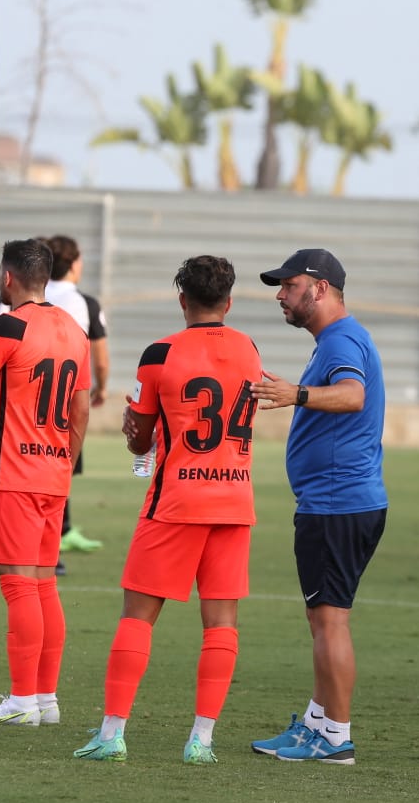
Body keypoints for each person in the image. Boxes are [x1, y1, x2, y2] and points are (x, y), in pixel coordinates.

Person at [73, 255, 260, 763]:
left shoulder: (160, 353)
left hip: (176, 500)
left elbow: (138, 436)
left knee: (138, 616)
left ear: (183, 301)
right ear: (229, 301)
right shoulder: (250, 348)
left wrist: (139, 441)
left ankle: (112, 734)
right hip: (234, 499)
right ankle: (201, 740)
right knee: (221, 623)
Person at [248, 248, 387, 765]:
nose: (281, 295)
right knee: (322, 618)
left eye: (288, 285)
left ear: (321, 288)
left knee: (330, 621)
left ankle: (335, 738)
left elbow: (351, 395)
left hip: (337, 504)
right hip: (336, 502)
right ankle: (318, 723)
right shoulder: (334, 340)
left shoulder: (344, 339)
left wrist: (296, 394)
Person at [0, 239, 90, 726]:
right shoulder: (74, 329)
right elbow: (80, 408)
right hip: (53, 473)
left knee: (18, 586)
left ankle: (21, 701)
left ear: (7, 278)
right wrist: (64, 461)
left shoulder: (6, 325)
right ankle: (45, 699)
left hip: (12, 474)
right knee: (44, 584)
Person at [43, 236, 109, 562]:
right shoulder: (85, 303)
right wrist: (101, 388)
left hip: (21, 400)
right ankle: (53, 539)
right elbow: (100, 358)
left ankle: (57, 532)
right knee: (61, 464)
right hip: (65, 400)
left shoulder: (24, 295)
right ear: (73, 263)